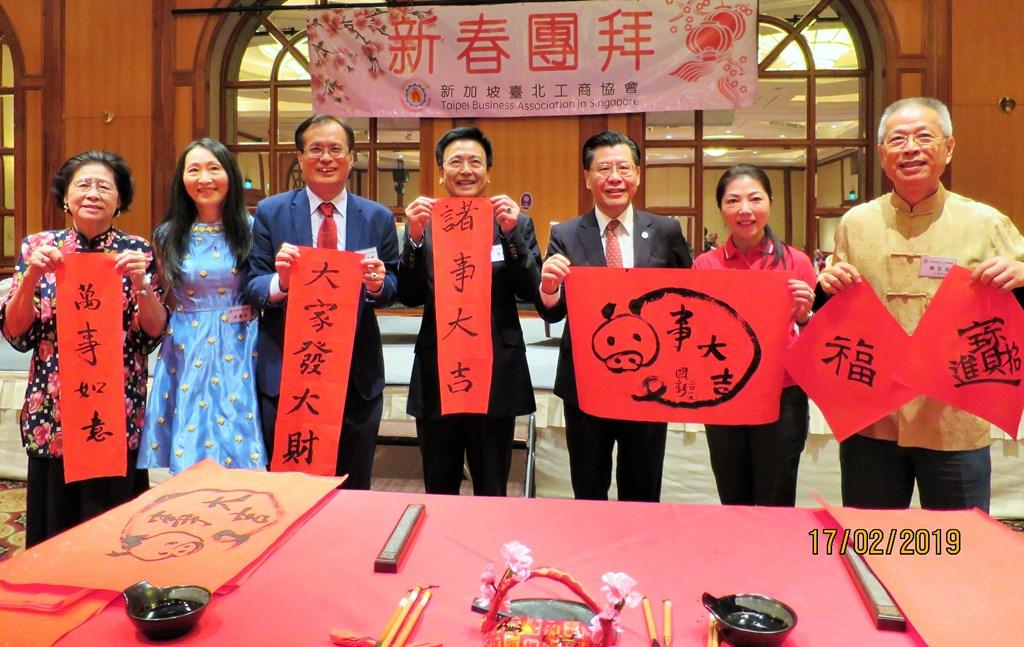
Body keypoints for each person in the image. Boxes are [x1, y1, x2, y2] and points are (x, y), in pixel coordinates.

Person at [818, 97, 1024, 512]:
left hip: (954, 418)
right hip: (873, 419)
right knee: (873, 545)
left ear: (948, 148)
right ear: (881, 155)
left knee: (960, 550)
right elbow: (835, 313)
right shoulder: (856, 223)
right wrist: (825, 287)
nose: (910, 148)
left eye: (923, 137)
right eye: (898, 139)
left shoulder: (987, 223)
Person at [0, 151, 166, 546]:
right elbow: (17, 333)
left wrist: (142, 285)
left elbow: (152, 335)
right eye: (83, 184)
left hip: (115, 410)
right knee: (55, 530)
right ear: (65, 197)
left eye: (104, 186)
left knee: (113, 526)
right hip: (55, 410)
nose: (93, 193)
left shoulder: (137, 252)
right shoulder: (39, 247)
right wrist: (30, 279)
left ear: (120, 200)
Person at [244, 115, 398, 489]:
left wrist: (378, 284)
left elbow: (395, 285)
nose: (325, 157)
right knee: (290, 483)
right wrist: (280, 282)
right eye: (315, 149)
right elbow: (252, 285)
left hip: (354, 373)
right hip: (289, 371)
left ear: (350, 157)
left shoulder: (377, 217)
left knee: (353, 481)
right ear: (300, 157)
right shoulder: (271, 212)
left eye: (335, 149)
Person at [537, 131, 692, 502]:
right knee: (589, 487)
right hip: (586, 384)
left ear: (637, 175)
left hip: (649, 382)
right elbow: (552, 311)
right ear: (588, 177)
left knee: (642, 488)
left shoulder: (666, 231)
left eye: (624, 167)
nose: (614, 177)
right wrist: (548, 286)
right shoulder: (567, 234)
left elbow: (687, 299)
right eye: (603, 168)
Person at [398, 127, 542, 496]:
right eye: (456, 162)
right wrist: (413, 239)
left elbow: (531, 291)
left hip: (495, 372)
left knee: (492, 484)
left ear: (488, 172)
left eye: (475, 161)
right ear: (441, 172)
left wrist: (510, 235)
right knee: (439, 484)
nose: (466, 170)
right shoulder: (424, 224)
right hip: (438, 371)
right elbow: (411, 296)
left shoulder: (514, 221)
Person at [138, 139, 264, 473]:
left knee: (241, 436)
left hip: (242, 340)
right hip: (187, 342)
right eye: (193, 170)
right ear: (182, 180)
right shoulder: (167, 235)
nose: (204, 178)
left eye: (213, 168)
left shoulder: (253, 229)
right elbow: (163, 293)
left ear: (230, 176)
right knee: (192, 438)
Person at [693, 164, 816, 506]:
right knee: (732, 496)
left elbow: (816, 344)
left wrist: (806, 317)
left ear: (770, 203)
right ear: (721, 209)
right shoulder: (705, 265)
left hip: (782, 395)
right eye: (733, 201)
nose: (745, 210)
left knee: (775, 498)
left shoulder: (797, 263)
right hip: (725, 392)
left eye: (754, 199)